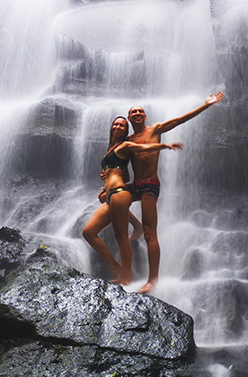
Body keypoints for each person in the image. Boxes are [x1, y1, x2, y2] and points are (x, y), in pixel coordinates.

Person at [126, 92, 224, 293]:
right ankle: (135, 225)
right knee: (108, 197)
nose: (137, 113)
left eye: (140, 111)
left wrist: (206, 105)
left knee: (150, 232)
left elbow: (180, 120)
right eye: (133, 112)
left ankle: (152, 280)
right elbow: (117, 163)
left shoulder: (155, 129)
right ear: (129, 118)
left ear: (145, 116)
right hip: (135, 185)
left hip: (149, 185)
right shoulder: (128, 140)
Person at [82, 116, 183, 286]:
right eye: (115, 124)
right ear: (111, 127)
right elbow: (126, 176)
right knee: (88, 232)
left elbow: (144, 147)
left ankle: (126, 280)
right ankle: (116, 266)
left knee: (121, 238)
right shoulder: (111, 148)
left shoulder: (125, 145)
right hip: (111, 193)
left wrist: (164, 146)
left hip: (120, 193)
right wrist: (106, 181)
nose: (118, 127)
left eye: (122, 125)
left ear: (125, 130)